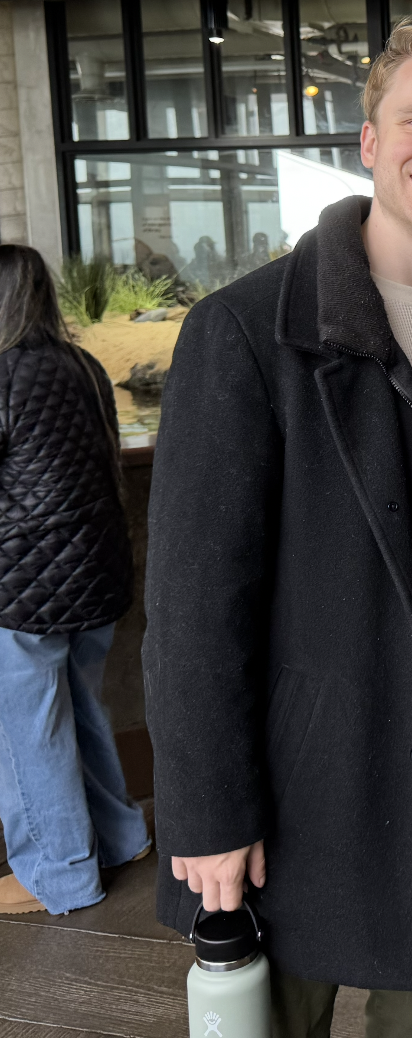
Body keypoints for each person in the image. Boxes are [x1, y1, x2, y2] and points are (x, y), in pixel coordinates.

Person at [142, 14, 412, 1038]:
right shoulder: (247, 331)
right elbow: (192, 606)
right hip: (304, 779)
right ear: (368, 143)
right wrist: (207, 813)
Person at [0, 245, 149, 916]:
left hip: (19, 585)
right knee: (84, 710)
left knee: (27, 731)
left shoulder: (1, 374)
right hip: (96, 573)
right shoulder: (84, 366)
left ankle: (59, 874)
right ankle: (120, 837)